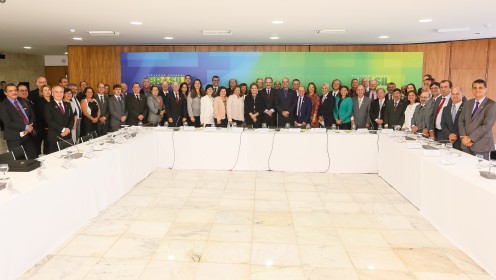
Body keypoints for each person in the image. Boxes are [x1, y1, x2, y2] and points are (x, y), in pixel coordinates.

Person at [459, 79, 496, 159]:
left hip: (481, 145)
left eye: (480, 88)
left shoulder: (492, 105)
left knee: (480, 169)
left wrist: (470, 138)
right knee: (465, 168)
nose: (477, 90)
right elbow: (461, 120)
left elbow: (486, 125)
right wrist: (463, 137)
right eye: (475, 88)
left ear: (486, 89)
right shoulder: (468, 103)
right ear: (472, 90)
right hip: (465, 144)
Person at [0, 83, 37, 159]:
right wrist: (26, 127)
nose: (14, 92)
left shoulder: (23, 100)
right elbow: (8, 123)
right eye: (10, 91)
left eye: (15, 90)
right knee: (19, 161)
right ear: (5, 93)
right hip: (14, 137)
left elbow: (32, 115)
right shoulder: (2, 105)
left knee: (33, 157)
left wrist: (30, 127)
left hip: (28, 135)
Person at [43, 85, 74, 154]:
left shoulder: (67, 104)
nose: (59, 94)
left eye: (61, 92)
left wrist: (68, 129)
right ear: (52, 93)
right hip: (55, 136)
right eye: (57, 92)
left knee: (68, 155)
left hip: (68, 135)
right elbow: (49, 121)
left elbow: (72, 118)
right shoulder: (48, 105)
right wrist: (63, 129)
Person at [36, 85, 52, 155]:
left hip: (53, 126)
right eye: (45, 90)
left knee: (50, 144)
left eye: (49, 90)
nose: (47, 92)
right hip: (44, 127)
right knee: (46, 144)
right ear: (42, 92)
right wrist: (47, 125)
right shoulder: (40, 102)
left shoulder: (53, 100)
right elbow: (41, 115)